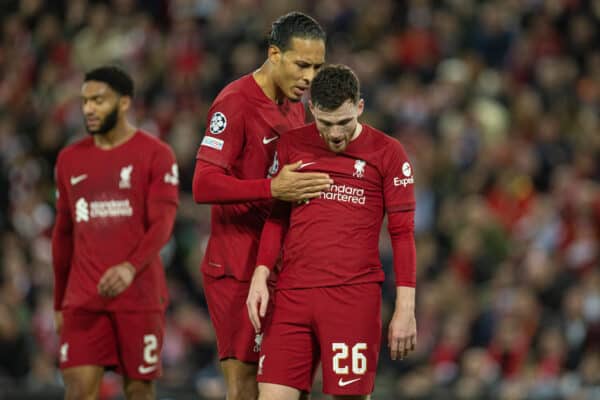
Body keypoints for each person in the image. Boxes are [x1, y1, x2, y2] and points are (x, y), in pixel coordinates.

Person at [246, 65, 418, 400]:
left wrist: (405, 308)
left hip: (352, 298)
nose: (335, 134)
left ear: (360, 107)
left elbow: (402, 234)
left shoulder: (388, 153)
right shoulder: (292, 146)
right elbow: (277, 217)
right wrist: (260, 273)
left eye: (344, 122)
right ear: (312, 109)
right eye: (326, 124)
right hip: (292, 296)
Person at [192, 11, 332, 400]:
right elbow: (202, 184)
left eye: (317, 67)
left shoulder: (296, 107)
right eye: (302, 65)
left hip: (280, 266)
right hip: (236, 266)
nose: (309, 77)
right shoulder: (234, 103)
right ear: (274, 54)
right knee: (247, 389)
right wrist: (274, 188)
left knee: (292, 385)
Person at [52, 65, 179, 400]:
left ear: (124, 103)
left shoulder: (156, 154)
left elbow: (163, 224)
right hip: (83, 298)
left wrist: (129, 267)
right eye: (85, 101)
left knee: (138, 390)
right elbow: (63, 235)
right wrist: (58, 301)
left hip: (139, 297)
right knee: (78, 391)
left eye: (99, 100)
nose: (88, 109)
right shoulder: (69, 159)